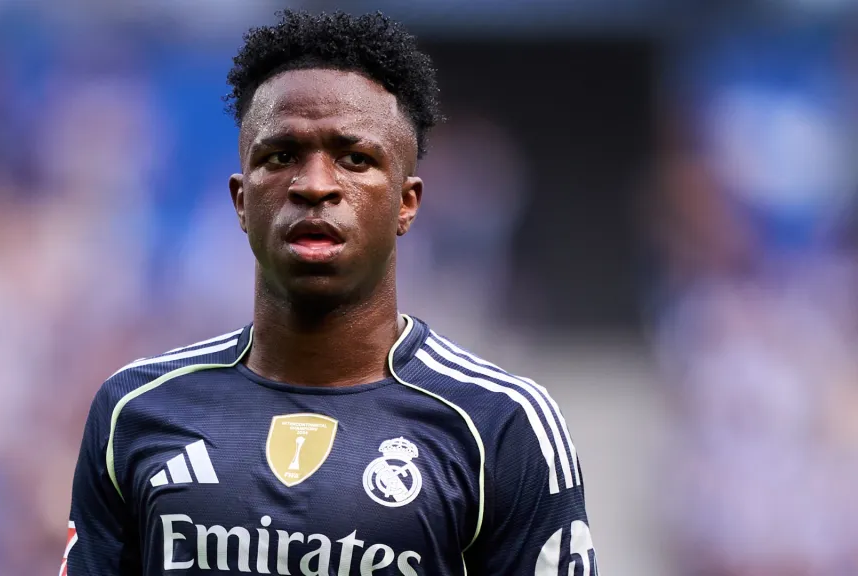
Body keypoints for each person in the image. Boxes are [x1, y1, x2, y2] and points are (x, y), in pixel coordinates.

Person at [61, 10, 597, 576]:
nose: (315, 185)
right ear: (241, 201)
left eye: (355, 159)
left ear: (406, 203)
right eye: (280, 156)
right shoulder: (137, 408)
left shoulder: (500, 424)